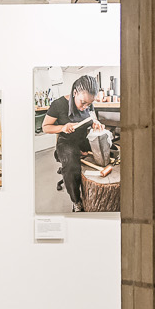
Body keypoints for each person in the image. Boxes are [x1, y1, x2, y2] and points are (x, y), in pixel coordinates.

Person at [41, 73, 101, 212]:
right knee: (71, 165)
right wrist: (62, 127)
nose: (85, 107)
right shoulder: (58, 105)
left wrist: (96, 123)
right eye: (83, 102)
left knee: (107, 149)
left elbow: (92, 117)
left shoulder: (88, 103)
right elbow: (45, 127)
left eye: (89, 104)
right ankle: (76, 201)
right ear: (75, 93)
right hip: (66, 142)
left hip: (83, 139)